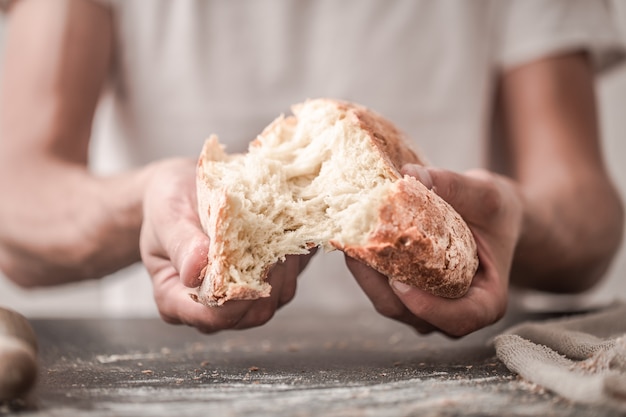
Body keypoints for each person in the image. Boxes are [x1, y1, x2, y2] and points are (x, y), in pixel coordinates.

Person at [0, 0, 623, 337]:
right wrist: (148, 200)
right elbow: (17, 200)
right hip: (164, 376)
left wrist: (510, 215)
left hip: (450, 377)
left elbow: (585, 213)